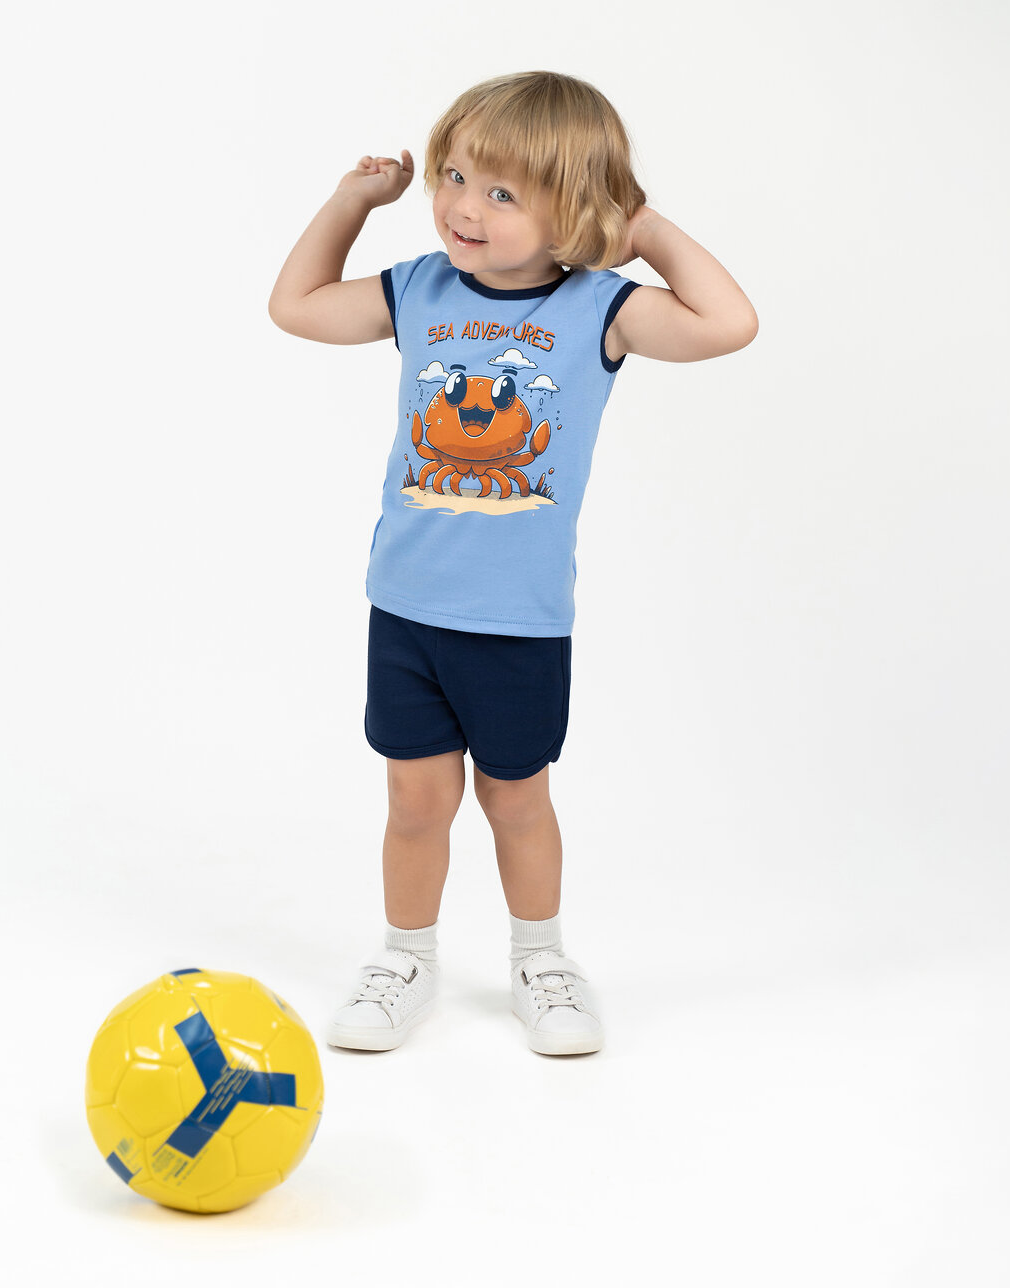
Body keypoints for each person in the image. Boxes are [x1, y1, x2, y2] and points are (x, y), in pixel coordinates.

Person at [268, 70, 757, 1056]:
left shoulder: (602, 308)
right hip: (407, 608)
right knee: (415, 802)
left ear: (572, 209)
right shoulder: (417, 288)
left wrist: (643, 227)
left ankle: (542, 960)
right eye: (454, 176)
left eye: (502, 193)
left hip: (518, 619)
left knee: (515, 798)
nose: (463, 207)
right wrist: (352, 202)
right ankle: (406, 958)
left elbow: (728, 323)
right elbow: (297, 305)